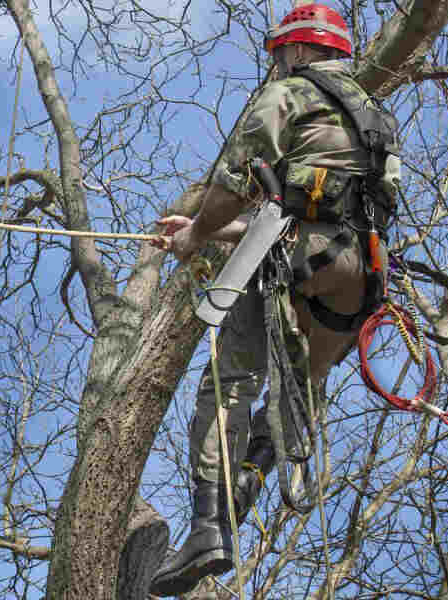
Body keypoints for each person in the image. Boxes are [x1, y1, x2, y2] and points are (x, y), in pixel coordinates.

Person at [147, 4, 401, 596]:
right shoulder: (375, 120)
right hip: (358, 276)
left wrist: (197, 234)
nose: (278, 63)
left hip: (294, 264)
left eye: (281, 53)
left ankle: (209, 525)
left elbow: (237, 183)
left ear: (298, 49)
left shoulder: (287, 94)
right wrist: (206, 226)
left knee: (229, 383)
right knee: (303, 388)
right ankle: (250, 480)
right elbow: (314, 210)